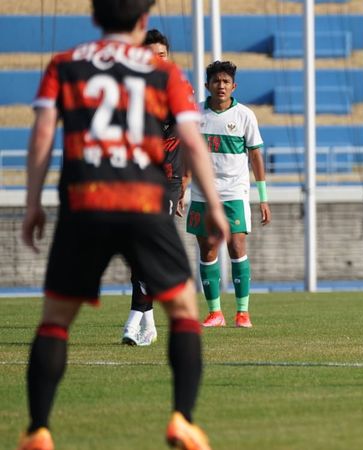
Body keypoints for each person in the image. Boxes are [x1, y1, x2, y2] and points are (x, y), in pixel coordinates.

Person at [17, 0, 229, 448]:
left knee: (55, 320)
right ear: (144, 21)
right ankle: (182, 418)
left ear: (95, 18)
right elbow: (191, 139)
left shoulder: (65, 64)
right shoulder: (164, 73)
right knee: (185, 311)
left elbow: (41, 134)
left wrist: (32, 201)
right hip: (143, 200)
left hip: (83, 201)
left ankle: (38, 429)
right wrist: (212, 202)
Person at [187, 60, 270, 329]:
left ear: (233, 86)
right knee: (208, 249)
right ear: (207, 85)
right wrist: (182, 187)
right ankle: (215, 313)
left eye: (225, 82)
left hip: (234, 191)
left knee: (237, 246)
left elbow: (256, 155)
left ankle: (243, 312)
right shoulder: (196, 114)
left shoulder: (244, 115)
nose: (220, 86)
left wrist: (263, 196)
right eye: (216, 81)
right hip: (201, 192)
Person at [121, 28, 190, 347]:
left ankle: (134, 321)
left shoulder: (179, 86)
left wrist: (187, 179)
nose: (156, 60)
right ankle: (148, 324)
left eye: (161, 54)